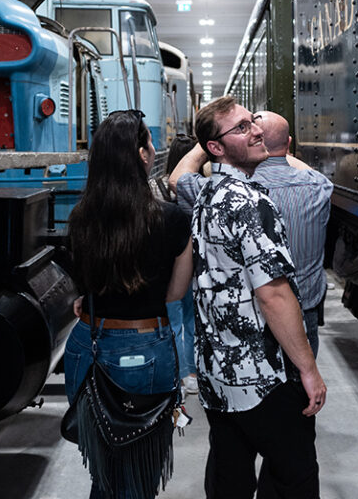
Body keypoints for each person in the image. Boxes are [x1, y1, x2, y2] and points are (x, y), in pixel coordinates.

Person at [185, 96, 326, 499]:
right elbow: (274, 295)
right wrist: (308, 370)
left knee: (230, 472)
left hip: (218, 371)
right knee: (293, 475)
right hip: (261, 375)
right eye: (242, 127)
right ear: (216, 146)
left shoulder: (207, 195)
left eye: (253, 122)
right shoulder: (252, 200)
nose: (257, 130)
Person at [62, 110, 193, 499]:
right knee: (138, 474)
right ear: (141, 154)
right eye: (150, 143)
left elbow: (86, 285)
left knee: (103, 470)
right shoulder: (172, 219)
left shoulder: (80, 218)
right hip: (145, 349)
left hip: (88, 344)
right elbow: (174, 293)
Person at [171, 111, 333, 357]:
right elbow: (310, 172)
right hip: (303, 313)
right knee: (301, 386)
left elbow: (177, 179)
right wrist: (281, 150)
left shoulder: (220, 192)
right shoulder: (319, 187)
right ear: (289, 144)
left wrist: (206, 145)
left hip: (248, 318)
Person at [160, 133, 200, 394]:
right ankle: (193, 373)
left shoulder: (160, 188)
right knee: (192, 320)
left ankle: (177, 374)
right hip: (195, 262)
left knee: (172, 321)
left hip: (168, 265)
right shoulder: (197, 185)